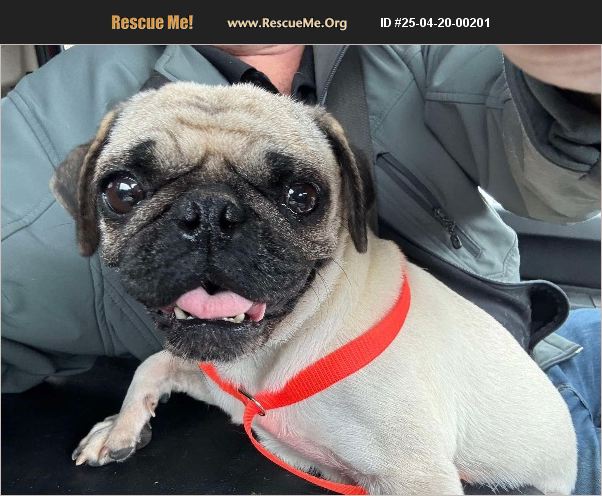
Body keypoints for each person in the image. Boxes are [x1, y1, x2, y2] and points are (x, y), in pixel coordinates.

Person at [2, 44, 600, 493]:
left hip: (526, 397)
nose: (211, 225)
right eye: (128, 192)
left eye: (296, 197)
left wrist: (575, 85)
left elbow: (546, 148)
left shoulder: (422, 37)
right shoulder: (38, 125)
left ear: (351, 205)